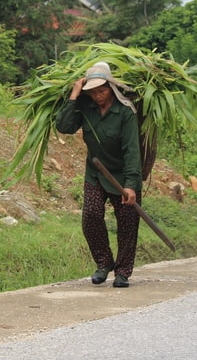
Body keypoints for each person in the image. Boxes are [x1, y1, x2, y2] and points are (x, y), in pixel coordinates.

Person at [55, 61, 142, 288]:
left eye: (101, 90)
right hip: (95, 173)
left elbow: (132, 150)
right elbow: (64, 126)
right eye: (92, 92)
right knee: (91, 216)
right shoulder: (86, 107)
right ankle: (104, 263)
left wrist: (132, 185)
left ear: (110, 87)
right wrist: (74, 95)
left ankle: (122, 272)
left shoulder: (125, 112)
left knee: (127, 222)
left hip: (123, 175)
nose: (97, 96)